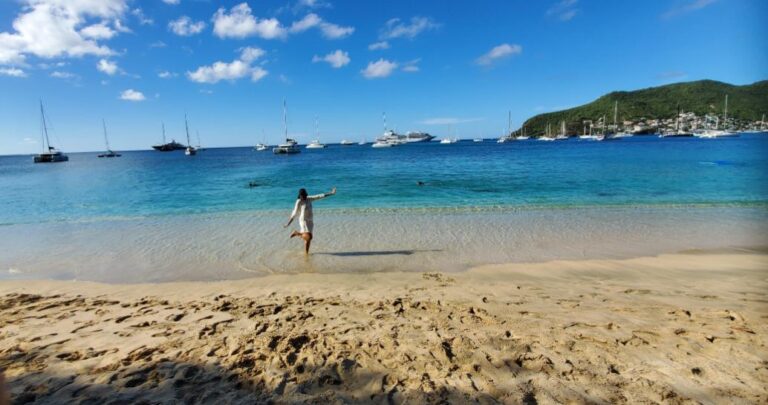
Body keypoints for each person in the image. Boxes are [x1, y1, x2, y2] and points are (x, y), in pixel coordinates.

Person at [284, 187, 336, 254]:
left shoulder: (309, 199)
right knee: (309, 237)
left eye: (303, 196)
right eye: (301, 196)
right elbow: (294, 212)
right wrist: (288, 223)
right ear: (299, 195)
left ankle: (306, 252)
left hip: (310, 221)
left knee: (308, 239)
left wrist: (331, 193)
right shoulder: (298, 201)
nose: (302, 198)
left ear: (305, 195)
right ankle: (297, 234)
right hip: (303, 220)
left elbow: (319, 196)